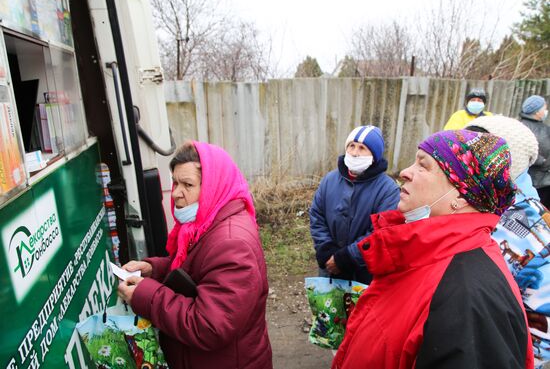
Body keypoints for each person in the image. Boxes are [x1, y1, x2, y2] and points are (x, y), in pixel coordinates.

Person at [332, 130, 534, 369]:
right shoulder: (423, 255)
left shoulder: (468, 300)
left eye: (423, 165)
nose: (405, 173)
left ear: (461, 194)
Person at [117, 142, 272, 369]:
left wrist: (146, 295)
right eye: (175, 182)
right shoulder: (207, 223)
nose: (177, 193)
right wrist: (155, 270)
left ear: (213, 186)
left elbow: (209, 325)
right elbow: (198, 267)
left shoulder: (232, 243)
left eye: (188, 184)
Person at [466, 116, 550, 368]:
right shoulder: (461, 199)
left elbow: (543, 333)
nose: (463, 160)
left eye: (476, 151)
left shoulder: (536, 231)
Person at [310, 125, 400, 285]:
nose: (355, 152)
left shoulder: (388, 190)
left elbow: (381, 231)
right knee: (329, 309)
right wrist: (326, 250)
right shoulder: (329, 180)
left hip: (363, 273)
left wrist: (347, 257)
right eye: (351, 146)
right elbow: (317, 216)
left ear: (374, 155)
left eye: (362, 148)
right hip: (329, 269)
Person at [519, 95, 550, 209]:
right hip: (540, 181)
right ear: (537, 111)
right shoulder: (542, 130)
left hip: (536, 179)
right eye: (544, 108)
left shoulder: (517, 125)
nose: (546, 111)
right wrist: (542, 161)